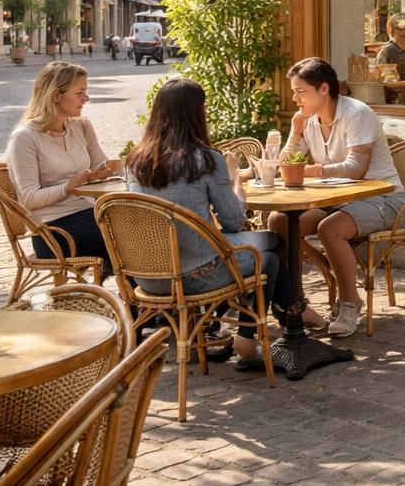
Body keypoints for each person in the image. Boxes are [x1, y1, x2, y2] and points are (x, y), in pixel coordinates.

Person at [125, 78, 322, 364]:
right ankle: (256, 330)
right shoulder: (205, 159)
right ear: (198, 112)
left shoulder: (134, 160)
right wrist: (234, 182)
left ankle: (291, 313)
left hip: (147, 277)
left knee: (268, 243)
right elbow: (234, 221)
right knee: (269, 256)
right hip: (197, 274)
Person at [265, 57, 405, 338]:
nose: (295, 98)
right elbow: (285, 163)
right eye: (294, 91)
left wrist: (310, 170)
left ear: (324, 89)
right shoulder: (309, 120)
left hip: (382, 198)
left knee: (330, 229)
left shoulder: (356, 113)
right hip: (337, 200)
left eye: (300, 91)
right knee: (279, 221)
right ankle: (297, 302)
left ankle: (349, 302)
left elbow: (356, 169)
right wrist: (295, 131)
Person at [4, 62, 113, 272]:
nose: (86, 99)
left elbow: (102, 165)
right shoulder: (25, 138)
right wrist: (69, 186)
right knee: (123, 234)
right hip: (53, 231)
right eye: (80, 93)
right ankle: (144, 300)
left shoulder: (81, 126)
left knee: (138, 225)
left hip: (89, 213)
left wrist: (111, 169)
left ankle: (149, 299)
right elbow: (28, 198)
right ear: (56, 96)